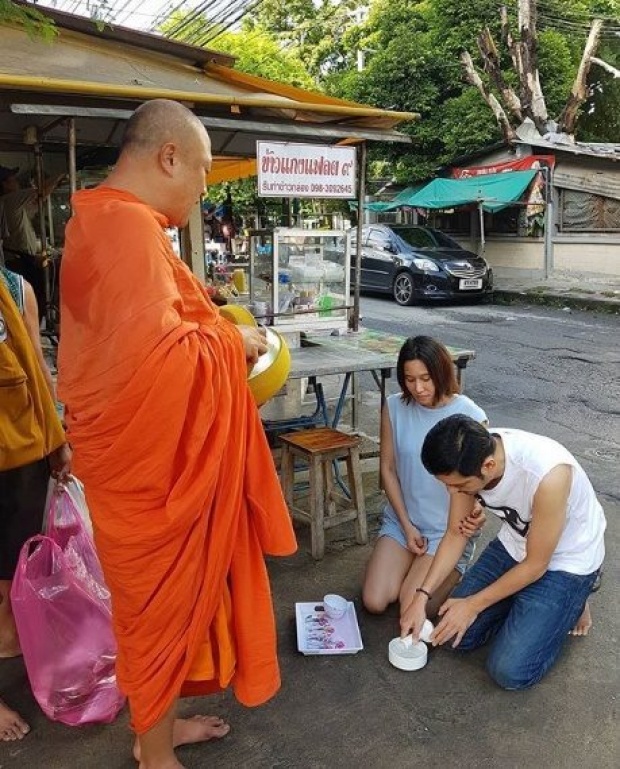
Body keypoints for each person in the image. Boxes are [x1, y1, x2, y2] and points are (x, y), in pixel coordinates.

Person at [57, 99, 297, 769]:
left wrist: (212, 326)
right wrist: (236, 341)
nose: (200, 190)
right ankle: (152, 752)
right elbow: (163, 366)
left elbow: (130, 349)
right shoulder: (127, 230)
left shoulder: (102, 223)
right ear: (167, 156)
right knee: (154, 621)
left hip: (132, 465)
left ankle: (157, 730)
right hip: (146, 481)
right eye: (199, 173)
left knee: (159, 617)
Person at [401, 415, 606, 690]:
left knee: (509, 671)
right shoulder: (471, 453)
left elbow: (536, 565)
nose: (452, 492)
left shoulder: (548, 475)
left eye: (459, 486)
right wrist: (420, 597)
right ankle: (528, 602)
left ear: (489, 466)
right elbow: (455, 533)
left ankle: (575, 598)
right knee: (450, 634)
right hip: (517, 544)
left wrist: (473, 604)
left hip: (566, 560)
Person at [362, 336, 487, 619]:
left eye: (426, 378)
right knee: (374, 601)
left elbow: (482, 478)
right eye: (409, 379)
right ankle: (410, 564)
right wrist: (406, 527)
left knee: (413, 606)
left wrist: (479, 508)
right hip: (403, 520)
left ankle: (457, 564)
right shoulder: (394, 407)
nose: (418, 388)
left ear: (442, 372)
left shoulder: (470, 414)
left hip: (447, 530)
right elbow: (388, 469)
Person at [0, 274, 71, 741]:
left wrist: (57, 440)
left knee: (11, 577)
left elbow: (37, 367)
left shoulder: (13, 285)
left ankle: (14, 657)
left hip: (18, 455)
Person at [0, 166, 65, 319]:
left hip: (19, 258)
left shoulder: (10, 203)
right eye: (13, 180)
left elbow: (39, 198)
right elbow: (41, 191)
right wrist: (60, 174)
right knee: (30, 302)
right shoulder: (11, 199)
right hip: (18, 261)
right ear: (4, 184)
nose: (17, 183)